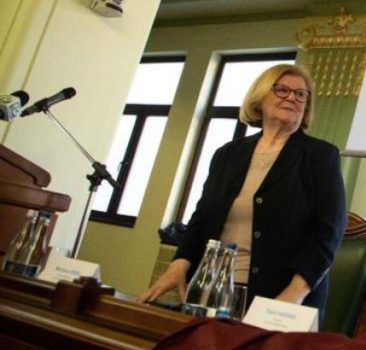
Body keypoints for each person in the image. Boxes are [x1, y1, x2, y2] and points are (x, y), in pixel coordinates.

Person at [139, 64, 346, 323]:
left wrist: (294, 294)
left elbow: (329, 231)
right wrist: (179, 264)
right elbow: (202, 218)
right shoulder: (227, 154)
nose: (292, 98)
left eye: (301, 94)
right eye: (282, 90)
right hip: (214, 291)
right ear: (260, 97)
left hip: (282, 298)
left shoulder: (320, 156)